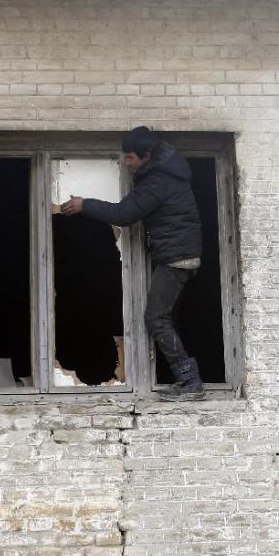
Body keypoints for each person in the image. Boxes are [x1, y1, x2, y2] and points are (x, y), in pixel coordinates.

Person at [60, 126, 205, 397]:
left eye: (130, 158)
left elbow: (124, 214)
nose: (127, 163)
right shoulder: (162, 171)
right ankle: (183, 380)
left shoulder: (158, 181)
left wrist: (84, 205)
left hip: (177, 258)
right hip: (177, 254)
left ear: (147, 155)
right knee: (165, 317)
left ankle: (190, 382)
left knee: (156, 318)